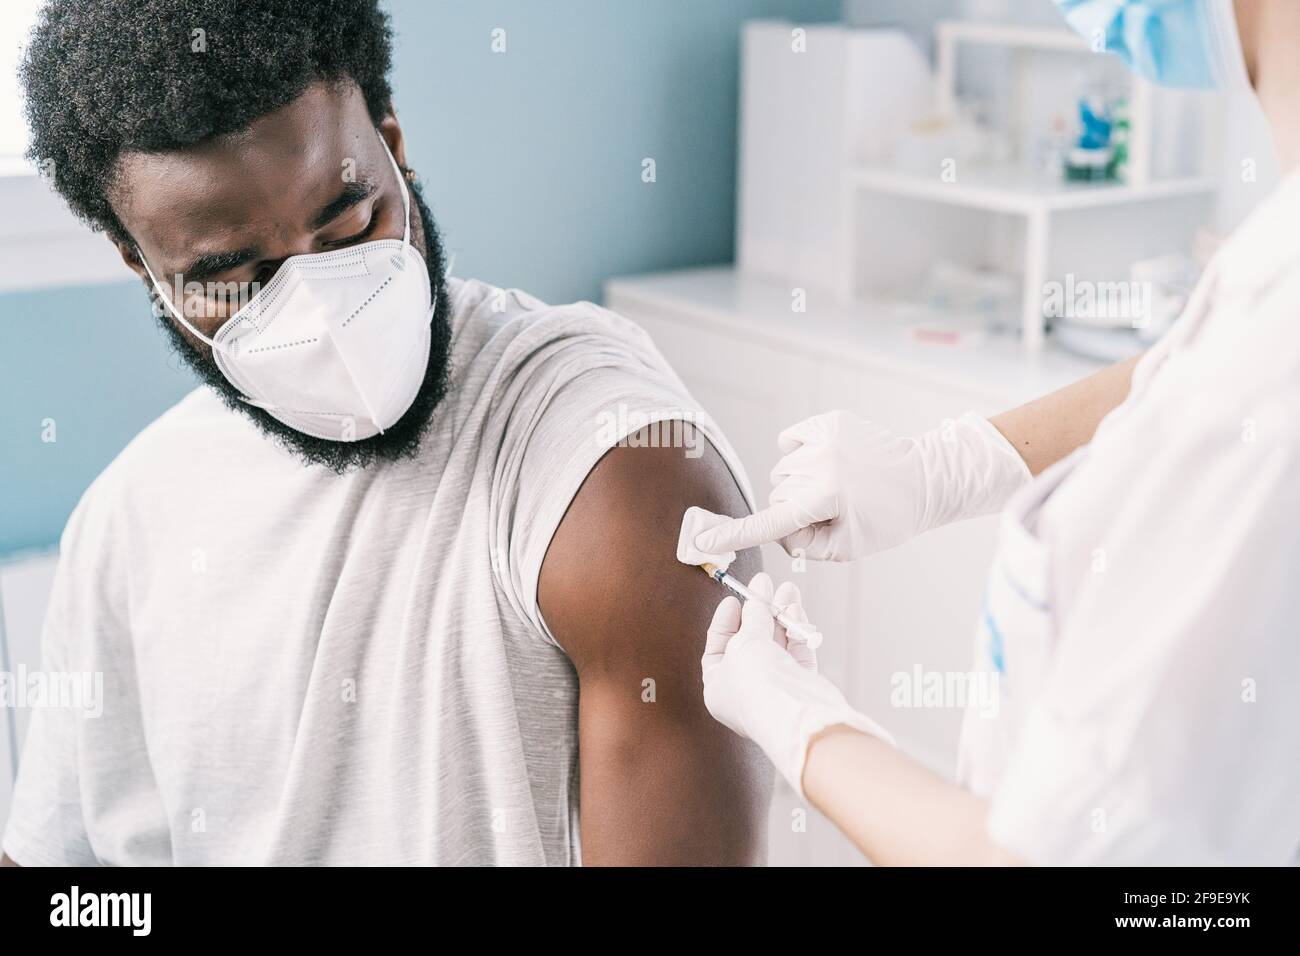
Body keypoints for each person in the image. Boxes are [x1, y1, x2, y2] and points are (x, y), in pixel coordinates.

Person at [0, 0, 771, 866]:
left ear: (393, 146)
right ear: (141, 264)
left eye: (350, 226)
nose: (326, 314)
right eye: (235, 282)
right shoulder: (126, 521)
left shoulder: (614, 471)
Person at [691, 0, 1300, 865]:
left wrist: (797, 721)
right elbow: (1184, 373)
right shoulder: (1274, 259)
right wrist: (948, 467)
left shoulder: (1271, 393)